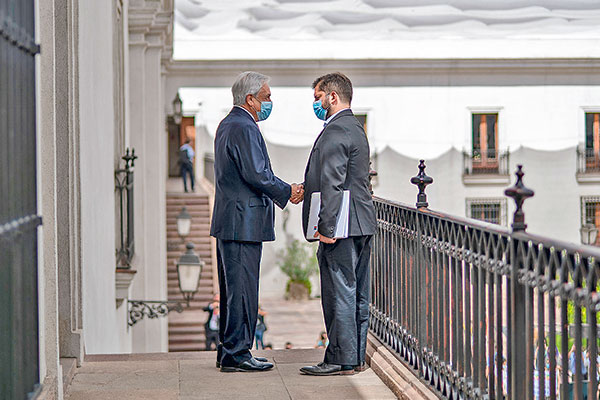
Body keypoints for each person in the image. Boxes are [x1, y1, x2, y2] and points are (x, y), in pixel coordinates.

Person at [210, 71, 304, 373]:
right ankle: (238, 354)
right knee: (243, 289)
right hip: (242, 222)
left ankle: (229, 352)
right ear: (250, 99)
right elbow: (257, 173)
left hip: (231, 220)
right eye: (266, 97)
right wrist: (287, 191)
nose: (269, 102)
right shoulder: (244, 127)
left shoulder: (228, 124)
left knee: (232, 289)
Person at [298, 72, 377, 376]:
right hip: (361, 221)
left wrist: (326, 229)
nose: (316, 104)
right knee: (356, 292)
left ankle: (339, 359)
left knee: (339, 290)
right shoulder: (356, 127)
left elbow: (332, 182)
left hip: (340, 225)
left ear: (332, 96)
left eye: (317, 97)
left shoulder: (334, 131)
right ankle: (354, 355)